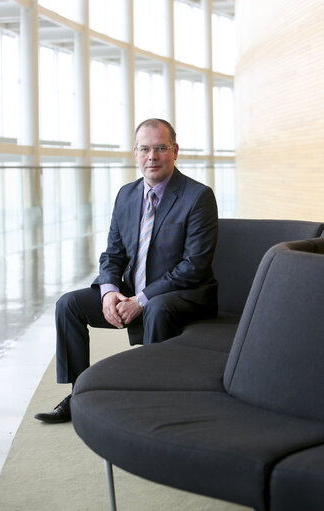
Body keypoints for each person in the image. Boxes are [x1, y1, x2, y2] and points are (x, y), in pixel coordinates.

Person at [35, 118, 218, 424]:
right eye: (145, 149)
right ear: (135, 153)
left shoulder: (197, 197)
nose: (152, 156)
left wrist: (140, 300)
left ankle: (154, 398)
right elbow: (113, 253)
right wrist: (109, 291)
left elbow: (194, 266)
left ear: (175, 151)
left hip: (183, 295)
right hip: (133, 292)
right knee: (69, 305)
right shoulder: (126, 195)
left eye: (160, 148)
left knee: (157, 307)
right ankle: (78, 395)